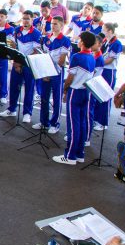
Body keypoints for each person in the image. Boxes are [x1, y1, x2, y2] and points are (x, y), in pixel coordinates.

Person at [53, 31, 96, 165]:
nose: (78, 40)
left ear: (82, 42)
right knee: (82, 123)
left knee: (73, 125)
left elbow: (70, 77)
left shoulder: (77, 57)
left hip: (75, 92)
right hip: (85, 92)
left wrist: (65, 89)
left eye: (79, 39)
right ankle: (79, 153)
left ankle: (70, 155)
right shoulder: (92, 58)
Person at [1, 11, 42, 123]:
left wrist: (22, 62)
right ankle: (12, 109)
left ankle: (27, 113)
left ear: (32, 20)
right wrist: (16, 62)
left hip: (29, 66)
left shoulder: (37, 34)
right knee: (13, 87)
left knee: (29, 90)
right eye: (24, 18)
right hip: (17, 64)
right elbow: (13, 46)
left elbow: (36, 52)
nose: (25, 21)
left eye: (28, 19)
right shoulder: (17, 30)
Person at [34, 16, 70, 134]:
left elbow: (62, 60)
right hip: (46, 72)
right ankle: (44, 122)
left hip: (57, 72)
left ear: (61, 26)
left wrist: (52, 70)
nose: (53, 26)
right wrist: (45, 71)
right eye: (52, 24)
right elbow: (43, 54)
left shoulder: (65, 40)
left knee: (56, 98)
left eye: (56, 24)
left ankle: (55, 123)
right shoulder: (47, 38)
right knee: (44, 97)